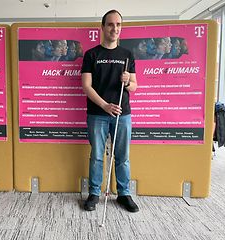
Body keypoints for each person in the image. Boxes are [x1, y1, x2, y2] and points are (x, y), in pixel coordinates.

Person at [81, 9, 139, 212]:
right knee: (97, 155)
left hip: (122, 115)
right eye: (110, 24)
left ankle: (124, 194)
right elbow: (86, 86)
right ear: (103, 27)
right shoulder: (91, 54)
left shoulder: (127, 55)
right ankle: (94, 193)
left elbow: (134, 86)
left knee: (122, 155)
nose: (115, 28)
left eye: (118, 25)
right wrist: (104, 105)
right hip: (97, 114)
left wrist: (128, 81)